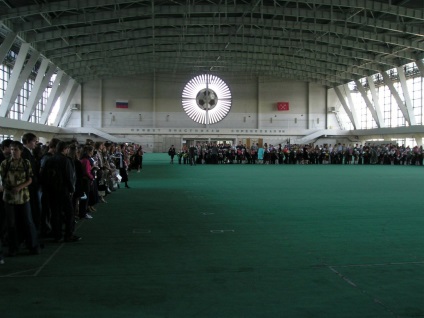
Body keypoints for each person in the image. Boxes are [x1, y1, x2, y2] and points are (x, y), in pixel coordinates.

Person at [0, 141, 40, 256]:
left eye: (16, 149)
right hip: (9, 198)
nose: (13, 152)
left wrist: (19, 187)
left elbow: (30, 179)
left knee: (28, 221)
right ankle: (13, 247)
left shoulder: (26, 163)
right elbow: (2, 179)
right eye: (12, 149)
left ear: (21, 151)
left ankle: (33, 245)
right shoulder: (5, 163)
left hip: (23, 197)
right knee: (11, 223)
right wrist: (8, 187)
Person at [43, 141, 81, 242]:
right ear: (65, 149)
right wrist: (72, 189)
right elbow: (69, 176)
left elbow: (44, 175)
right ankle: (69, 234)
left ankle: (57, 235)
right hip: (63, 190)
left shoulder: (49, 160)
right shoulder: (66, 160)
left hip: (51, 191)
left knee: (55, 213)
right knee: (69, 213)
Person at [21, 132, 41, 232]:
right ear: (28, 142)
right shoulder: (25, 154)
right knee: (32, 210)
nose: (35, 144)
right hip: (30, 186)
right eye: (34, 141)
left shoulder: (28, 153)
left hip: (32, 185)